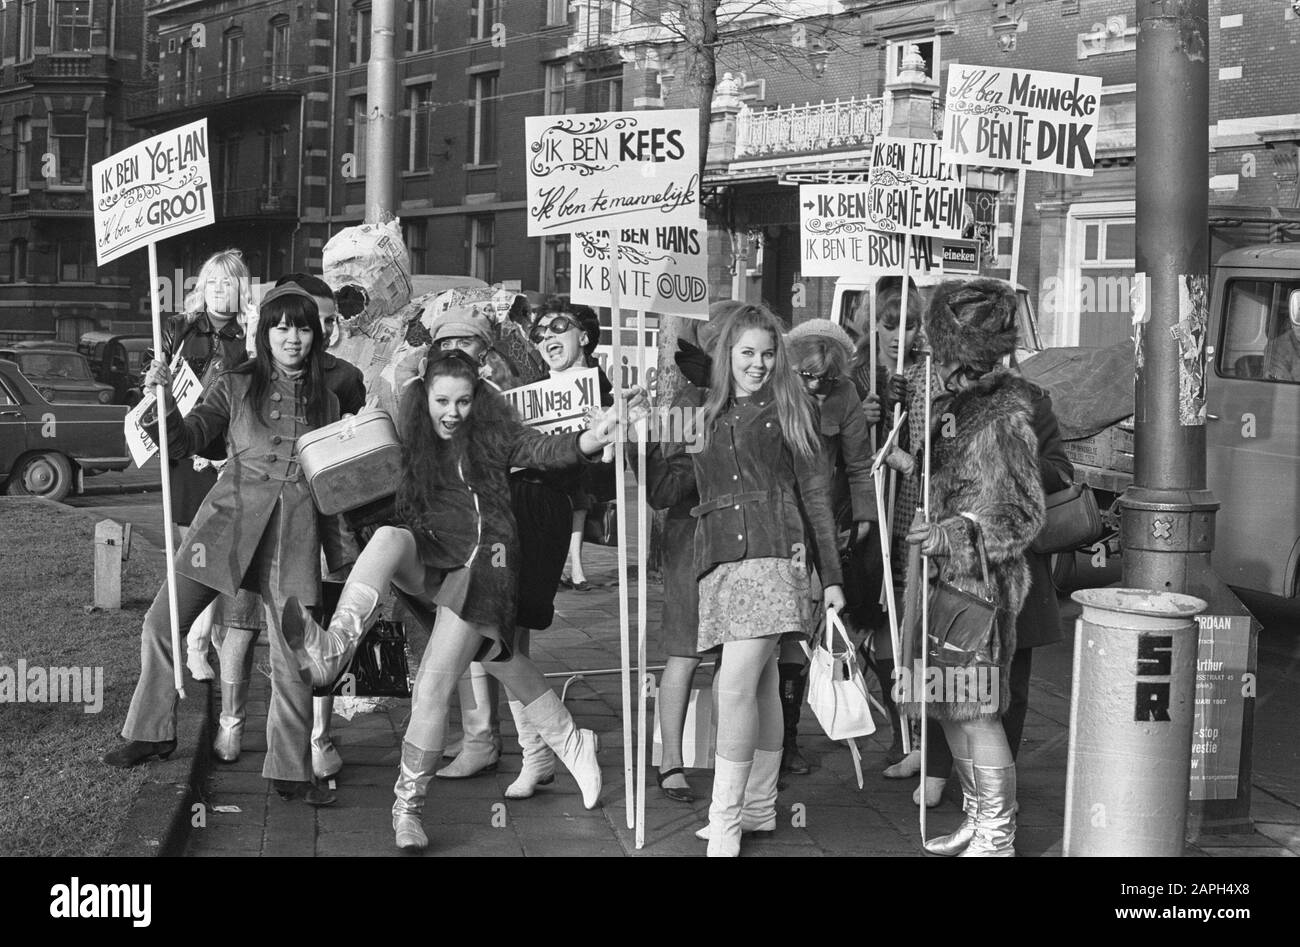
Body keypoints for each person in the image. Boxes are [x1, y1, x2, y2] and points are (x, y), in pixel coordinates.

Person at [282, 349, 637, 852]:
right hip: (432, 554)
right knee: (390, 541)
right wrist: (352, 435)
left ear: (477, 398)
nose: (452, 412)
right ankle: (336, 645)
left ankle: (408, 809)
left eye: (463, 401)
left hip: (482, 566)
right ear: (424, 395)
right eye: (442, 400)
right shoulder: (410, 429)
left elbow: (544, 449)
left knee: (439, 682)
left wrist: (592, 438)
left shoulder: (494, 432)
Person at [104, 285, 351, 808]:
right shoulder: (235, 383)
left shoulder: (332, 397)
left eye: (302, 328)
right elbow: (186, 440)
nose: (292, 337)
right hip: (226, 525)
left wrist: (345, 553)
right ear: (265, 333)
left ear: (316, 334)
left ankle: (290, 770)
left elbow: (336, 481)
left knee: (293, 653)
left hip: (295, 534)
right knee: (162, 621)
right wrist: (161, 402)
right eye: (281, 327)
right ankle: (151, 732)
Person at [688, 303, 845, 856]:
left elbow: (817, 495)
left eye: (768, 353)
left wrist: (831, 576)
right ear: (726, 355)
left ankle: (726, 818)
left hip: (777, 553)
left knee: (732, 687)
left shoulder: (791, 407)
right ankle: (757, 806)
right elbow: (672, 485)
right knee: (759, 685)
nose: (758, 363)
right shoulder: (704, 412)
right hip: (720, 559)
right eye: (747, 353)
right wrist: (632, 438)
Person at [898, 278, 1046, 857]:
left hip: (978, 588)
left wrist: (948, 535)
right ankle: (977, 816)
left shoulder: (1002, 414)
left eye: (934, 345)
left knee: (977, 712)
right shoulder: (954, 405)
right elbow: (957, 483)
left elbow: (1020, 515)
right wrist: (912, 464)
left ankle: (998, 835)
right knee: (950, 708)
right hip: (944, 581)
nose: (927, 356)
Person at [209, 272, 366, 781]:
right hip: (248, 518)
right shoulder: (247, 375)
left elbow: (350, 457)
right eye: (289, 324)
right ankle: (232, 721)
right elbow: (218, 430)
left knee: (305, 633)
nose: (301, 334)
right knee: (238, 621)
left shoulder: (343, 379)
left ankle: (315, 739)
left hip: (308, 525)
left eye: (319, 321)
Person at [920, 361, 1073, 816]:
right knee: (946, 677)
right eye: (954, 369)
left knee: (1009, 687)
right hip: (953, 561)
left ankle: (998, 803)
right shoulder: (945, 407)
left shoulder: (1030, 401)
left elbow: (1059, 472)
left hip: (1012, 565)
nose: (961, 379)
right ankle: (950, 779)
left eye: (971, 369)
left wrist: (1011, 457)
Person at [640, 302, 730, 803]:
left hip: (747, 539)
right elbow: (666, 488)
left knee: (741, 657)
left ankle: (736, 758)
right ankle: (670, 759)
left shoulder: (769, 400)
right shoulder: (689, 402)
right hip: (692, 538)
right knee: (685, 650)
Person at [156, 250, 255, 683]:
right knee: (187, 549)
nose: (218, 290)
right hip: (184, 446)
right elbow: (151, 378)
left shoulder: (250, 334)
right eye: (211, 281)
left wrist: (255, 336)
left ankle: (200, 643)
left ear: (241, 288)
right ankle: (195, 637)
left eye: (228, 282)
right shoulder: (178, 327)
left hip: (226, 451)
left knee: (212, 549)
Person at [848, 286, 935, 783]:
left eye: (910, 323)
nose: (900, 334)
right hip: (868, 517)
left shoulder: (926, 372)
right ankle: (902, 730)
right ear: (872, 324)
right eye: (889, 323)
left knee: (914, 623)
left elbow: (926, 447)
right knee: (880, 619)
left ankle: (919, 736)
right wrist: (867, 421)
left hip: (910, 513)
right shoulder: (856, 373)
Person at [783, 318, 875, 776]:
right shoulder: (779, 393)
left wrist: (864, 516)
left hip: (822, 521)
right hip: (779, 519)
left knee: (803, 632)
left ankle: (789, 738)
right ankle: (771, 741)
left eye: (827, 378)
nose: (818, 385)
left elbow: (859, 464)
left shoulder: (846, 395)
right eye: (808, 376)